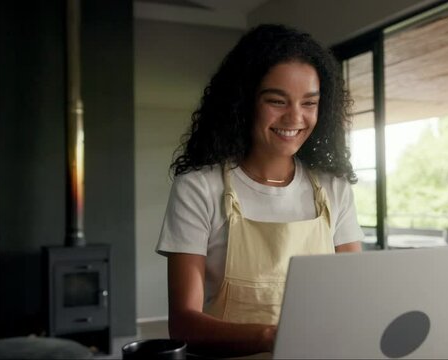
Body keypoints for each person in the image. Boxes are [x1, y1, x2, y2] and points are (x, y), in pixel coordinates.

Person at [156, 23, 364, 357]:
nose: (295, 117)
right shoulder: (198, 187)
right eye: (277, 101)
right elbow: (183, 324)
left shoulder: (334, 189)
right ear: (243, 102)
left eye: (309, 103)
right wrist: (274, 337)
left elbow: (354, 295)